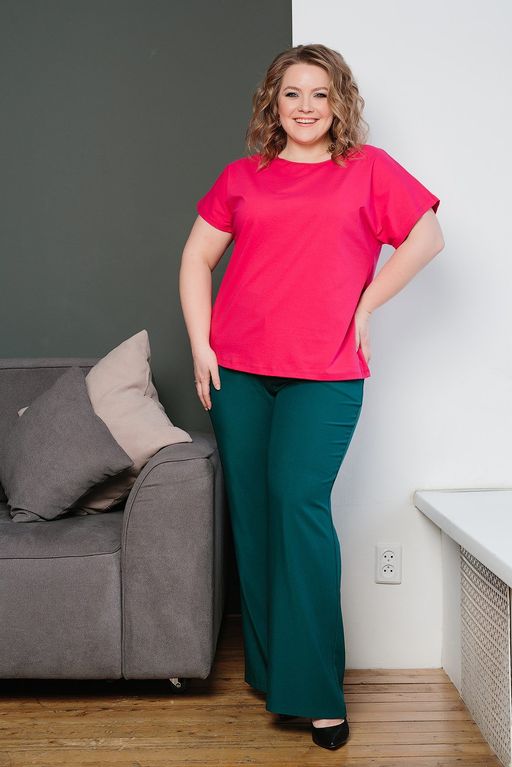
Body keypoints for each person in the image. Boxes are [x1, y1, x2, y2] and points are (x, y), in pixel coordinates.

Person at [179, 43, 444, 751]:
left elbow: (426, 237)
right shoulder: (243, 176)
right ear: (274, 102)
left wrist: (367, 304)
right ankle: (274, 674)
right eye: (292, 93)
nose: (305, 107)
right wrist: (202, 345)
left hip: (325, 370)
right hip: (238, 371)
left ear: (338, 103)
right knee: (256, 516)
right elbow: (197, 256)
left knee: (298, 505)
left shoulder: (368, 169)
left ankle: (320, 692)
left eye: (319, 94)